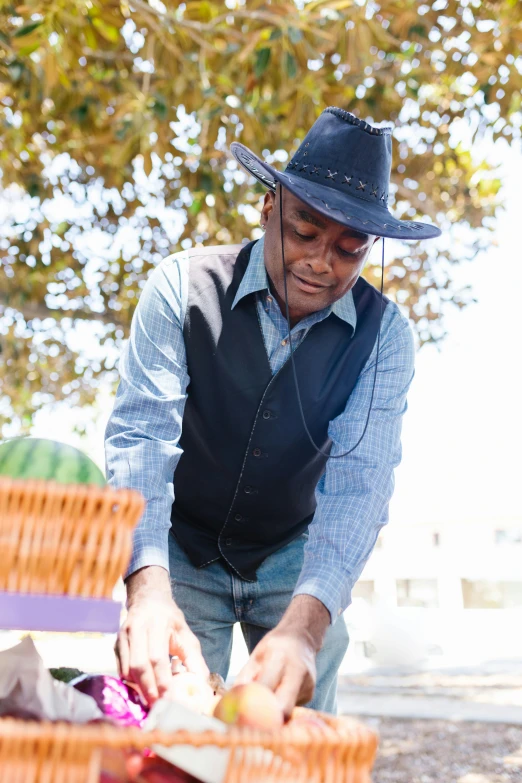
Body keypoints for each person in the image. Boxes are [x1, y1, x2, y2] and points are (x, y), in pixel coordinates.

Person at [105, 107, 441, 717]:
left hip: (297, 556)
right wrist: (147, 589)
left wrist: (307, 627)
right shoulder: (179, 287)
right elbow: (141, 439)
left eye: (349, 248)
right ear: (269, 209)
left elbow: (360, 484)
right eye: (304, 232)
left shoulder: (386, 336)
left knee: (295, 739)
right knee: (168, 734)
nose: (321, 262)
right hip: (180, 549)